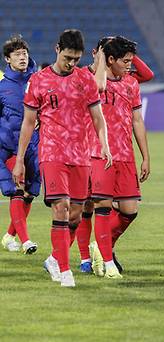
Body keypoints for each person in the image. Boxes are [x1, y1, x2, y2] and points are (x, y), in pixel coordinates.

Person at [13, 29, 112, 287]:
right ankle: (66, 271)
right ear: (57, 49)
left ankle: (55, 259)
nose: (71, 63)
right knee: (62, 207)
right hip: (52, 153)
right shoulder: (39, 81)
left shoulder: (85, 80)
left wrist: (104, 144)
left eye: (76, 59)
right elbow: (28, 123)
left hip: (80, 156)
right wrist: (21, 159)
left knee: (77, 215)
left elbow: (98, 117)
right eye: (68, 57)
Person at [78, 37, 155, 274]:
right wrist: (103, 55)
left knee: (129, 210)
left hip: (125, 154)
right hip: (97, 152)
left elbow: (137, 119)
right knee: (94, 206)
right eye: (125, 61)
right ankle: (97, 260)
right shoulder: (88, 78)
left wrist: (146, 156)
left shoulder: (131, 83)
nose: (130, 66)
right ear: (109, 59)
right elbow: (99, 84)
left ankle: (101, 248)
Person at [0, 35, 39, 254]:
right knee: (18, 188)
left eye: (24, 53)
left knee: (29, 193)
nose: (23, 57)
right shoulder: (2, 87)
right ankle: (26, 241)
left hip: (35, 144)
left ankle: (8, 236)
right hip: (11, 146)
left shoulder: (39, 79)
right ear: (8, 59)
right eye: (17, 54)